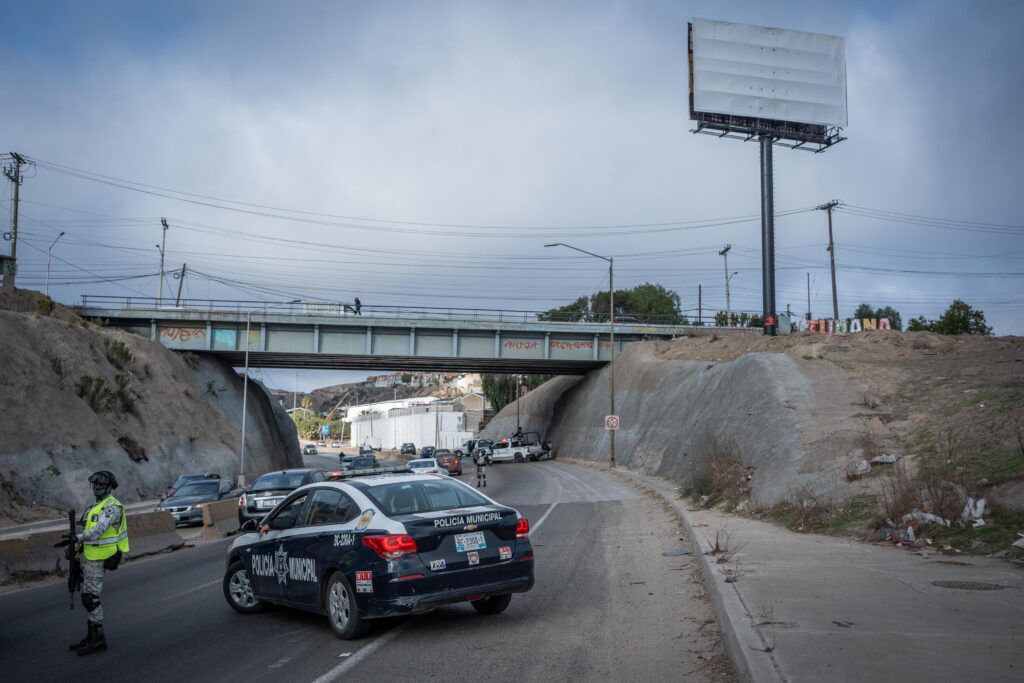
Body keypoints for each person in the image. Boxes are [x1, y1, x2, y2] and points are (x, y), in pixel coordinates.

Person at [58, 470, 129, 656]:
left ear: (109, 487)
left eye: (101, 485)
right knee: (88, 595)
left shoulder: (112, 506)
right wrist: (75, 545)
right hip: (90, 556)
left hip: (103, 557)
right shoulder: (94, 506)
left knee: (91, 598)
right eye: (95, 485)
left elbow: (99, 529)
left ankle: (98, 638)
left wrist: (77, 537)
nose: (97, 488)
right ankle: (91, 635)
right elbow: (87, 527)